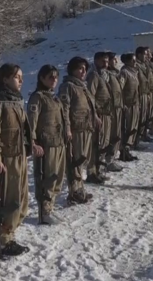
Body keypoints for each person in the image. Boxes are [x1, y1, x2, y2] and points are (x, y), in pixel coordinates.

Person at [0, 63, 40, 257]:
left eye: (21, 77)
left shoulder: (17, 100)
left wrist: (32, 144)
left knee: (22, 201)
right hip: (7, 160)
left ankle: (10, 234)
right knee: (10, 201)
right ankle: (5, 240)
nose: (21, 81)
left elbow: (24, 129)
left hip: (20, 156)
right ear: (5, 79)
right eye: (17, 77)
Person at [28, 64, 70, 225]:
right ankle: (44, 212)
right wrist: (32, 141)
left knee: (57, 178)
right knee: (47, 179)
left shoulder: (54, 97)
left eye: (56, 77)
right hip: (46, 144)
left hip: (59, 142)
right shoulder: (38, 97)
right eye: (50, 77)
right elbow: (32, 122)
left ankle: (50, 207)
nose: (54, 80)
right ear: (42, 78)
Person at [59, 56, 99, 204]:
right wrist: (67, 128)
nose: (83, 71)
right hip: (76, 129)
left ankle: (80, 188)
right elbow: (64, 109)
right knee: (75, 161)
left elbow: (90, 106)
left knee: (82, 159)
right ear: (72, 69)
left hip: (86, 128)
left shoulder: (83, 86)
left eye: (84, 69)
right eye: (79, 68)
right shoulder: (68, 86)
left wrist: (95, 118)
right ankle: (74, 191)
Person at [87, 52, 115, 184]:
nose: (106, 64)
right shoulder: (93, 75)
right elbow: (90, 96)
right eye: (103, 61)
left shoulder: (104, 75)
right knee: (97, 144)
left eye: (107, 61)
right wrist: (95, 113)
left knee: (104, 142)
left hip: (106, 113)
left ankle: (99, 170)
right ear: (96, 61)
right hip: (99, 115)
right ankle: (92, 172)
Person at [119, 53, 140, 162]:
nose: (135, 62)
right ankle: (124, 151)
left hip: (134, 103)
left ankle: (128, 149)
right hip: (127, 105)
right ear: (127, 61)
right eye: (133, 60)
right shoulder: (124, 73)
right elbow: (120, 89)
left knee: (133, 126)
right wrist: (123, 103)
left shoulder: (133, 72)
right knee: (127, 127)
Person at [105, 51, 125, 168]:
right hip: (110, 109)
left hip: (118, 106)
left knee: (117, 134)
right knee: (111, 135)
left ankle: (112, 157)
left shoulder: (116, 73)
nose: (116, 61)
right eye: (113, 59)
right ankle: (108, 160)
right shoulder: (105, 75)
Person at [134, 46, 153, 148]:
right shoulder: (136, 66)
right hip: (140, 94)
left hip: (146, 92)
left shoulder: (145, 65)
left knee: (146, 116)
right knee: (140, 117)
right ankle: (137, 139)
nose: (147, 56)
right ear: (139, 55)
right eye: (145, 54)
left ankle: (143, 134)